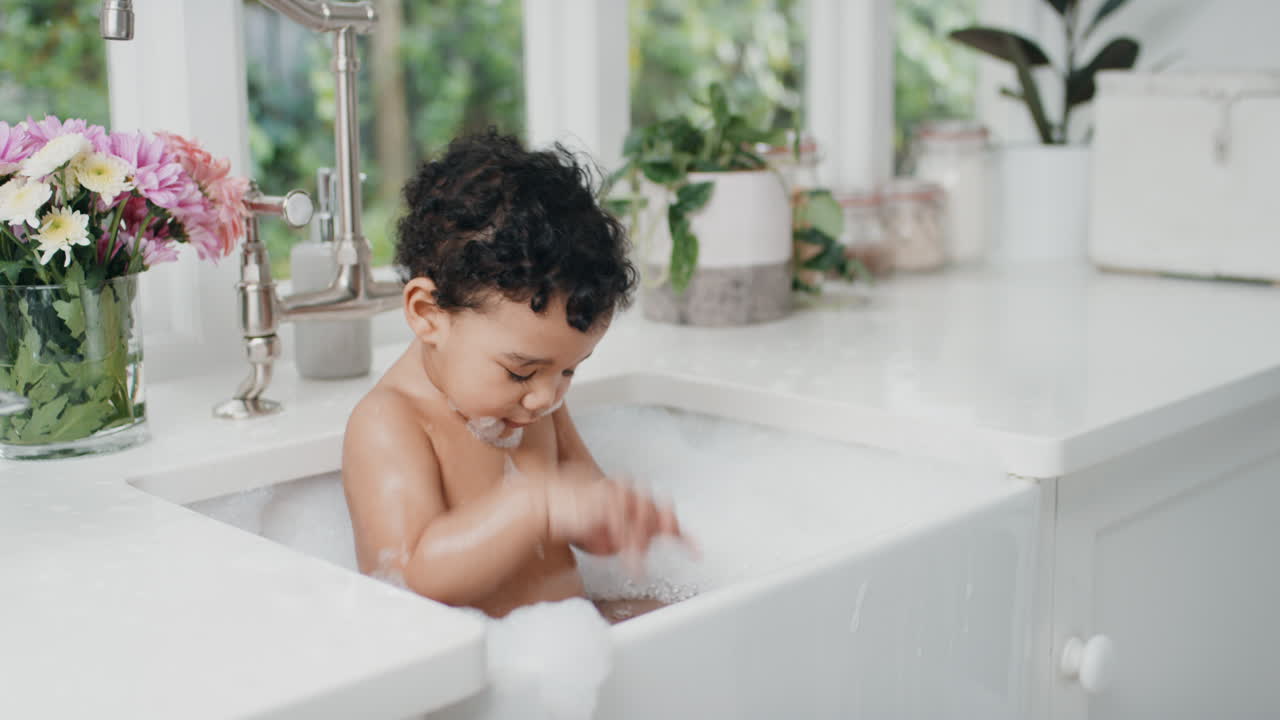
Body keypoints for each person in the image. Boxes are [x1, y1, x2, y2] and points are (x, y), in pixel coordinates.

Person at [341, 130, 691, 622]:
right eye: (519, 371)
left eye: (569, 369)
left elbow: (584, 512)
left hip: (567, 637)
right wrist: (535, 505)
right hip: (480, 666)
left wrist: (615, 517)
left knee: (695, 616)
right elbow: (408, 580)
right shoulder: (391, 422)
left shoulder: (538, 402)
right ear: (427, 314)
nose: (546, 396)